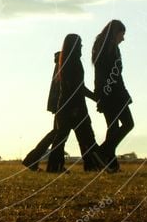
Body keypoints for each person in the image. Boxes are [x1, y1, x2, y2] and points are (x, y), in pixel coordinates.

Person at [46, 34, 106, 173]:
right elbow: (78, 87)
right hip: (75, 106)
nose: (81, 47)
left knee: (62, 139)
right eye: (80, 44)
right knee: (86, 137)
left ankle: (55, 167)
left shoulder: (65, 61)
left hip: (66, 106)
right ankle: (93, 165)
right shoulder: (74, 62)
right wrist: (95, 97)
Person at [92, 20, 134, 173]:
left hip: (108, 94)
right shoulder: (111, 49)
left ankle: (111, 164)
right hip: (115, 94)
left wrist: (101, 94)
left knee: (113, 127)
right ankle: (102, 152)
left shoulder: (102, 48)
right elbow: (112, 75)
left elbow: (101, 75)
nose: (123, 38)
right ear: (115, 33)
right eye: (122, 35)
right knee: (128, 124)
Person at [22, 52, 61, 171]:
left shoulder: (59, 64)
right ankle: (41, 161)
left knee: (57, 133)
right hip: (62, 104)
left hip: (58, 103)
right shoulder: (64, 64)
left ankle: (35, 159)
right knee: (57, 133)